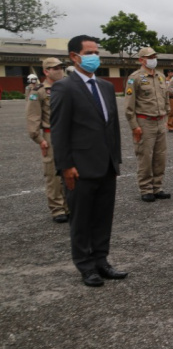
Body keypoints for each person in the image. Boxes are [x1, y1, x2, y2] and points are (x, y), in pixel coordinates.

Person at [50, 35, 126, 287]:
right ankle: (85, 266)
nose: (95, 57)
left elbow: (112, 127)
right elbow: (59, 131)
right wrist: (65, 166)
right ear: (74, 57)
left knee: (103, 217)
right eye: (89, 53)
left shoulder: (105, 87)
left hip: (106, 165)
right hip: (80, 167)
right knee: (81, 220)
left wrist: (115, 159)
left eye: (96, 52)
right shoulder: (64, 87)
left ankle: (101, 260)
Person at [123, 47, 171, 202]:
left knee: (160, 156)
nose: (153, 59)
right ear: (141, 60)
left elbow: (165, 98)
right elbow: (129, 105)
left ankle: (157, 187)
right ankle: (146, 188)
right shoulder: (135, 78)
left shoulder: (160, 76)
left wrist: (166, 116)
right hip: (144, 122)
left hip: (160, 121)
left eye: (154, 56)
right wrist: (134, 126)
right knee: (145, 157)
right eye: (149, 57)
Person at [25, 57, 69, 222]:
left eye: (60, 67)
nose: (59, 71)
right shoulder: (39, 91)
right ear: (46, 71)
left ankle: (69, 205)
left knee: (71, 171)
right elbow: (32, 117)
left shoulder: (67, 87)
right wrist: (39, 139)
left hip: (70, 135)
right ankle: (58, 209)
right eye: (55, 68)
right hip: (52, 135)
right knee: (53, 174)